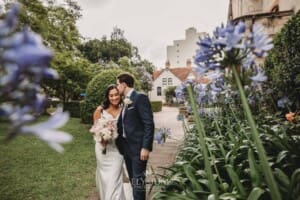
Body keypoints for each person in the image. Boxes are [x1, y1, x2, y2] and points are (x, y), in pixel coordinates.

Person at [115, 73, 155, 200]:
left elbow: (149, 123)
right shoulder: (125, 101)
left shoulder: (140, 98)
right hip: (127, 148)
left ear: (123, 84)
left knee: (138, 182)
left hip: (138, 149)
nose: (117, 88)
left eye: (117, 84)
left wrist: (146, 147)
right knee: (133, 180)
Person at [92, 84, 126, 200]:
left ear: (120, 95)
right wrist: (102, 138)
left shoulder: (124, 110)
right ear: (107, 97)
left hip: (118, 150)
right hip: (103, 149)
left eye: (116, 95)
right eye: (111, 96)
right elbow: (95, 130)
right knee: (105, 179)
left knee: (114, 178)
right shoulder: (100, 111)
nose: (114, 98)